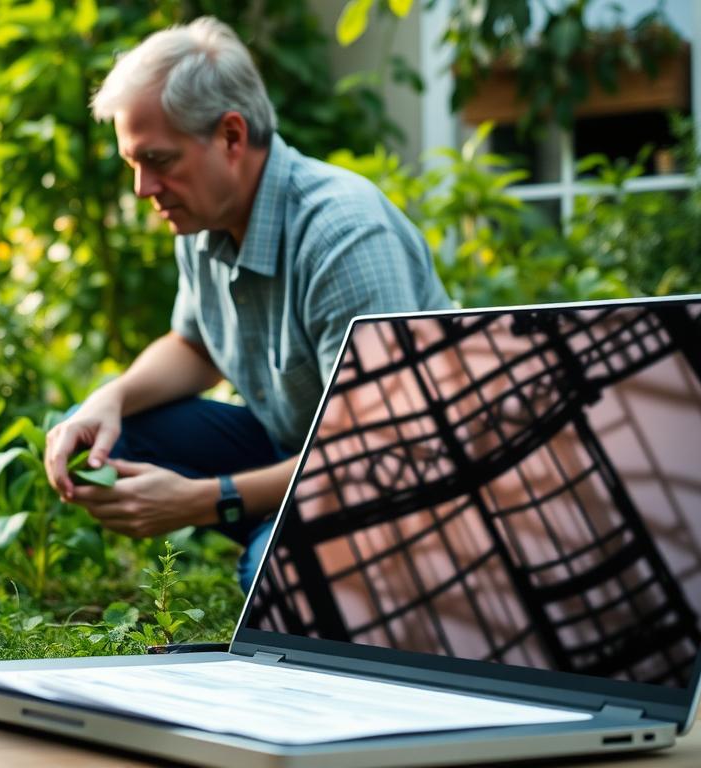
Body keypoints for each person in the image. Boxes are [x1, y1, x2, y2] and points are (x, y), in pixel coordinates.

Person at [43, 17, 452, 592]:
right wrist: (106, 400)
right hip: (297, 450)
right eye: (132, 164)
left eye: (158, 161)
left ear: (231, 136)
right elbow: (194, 345)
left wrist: (203, 501)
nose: (143, 190)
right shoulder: (202, 219)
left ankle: (298, 549)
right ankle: (280, 524)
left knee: (282, 578)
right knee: (105, 438)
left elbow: (378, 448)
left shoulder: (344, 237)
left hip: (404, 485)